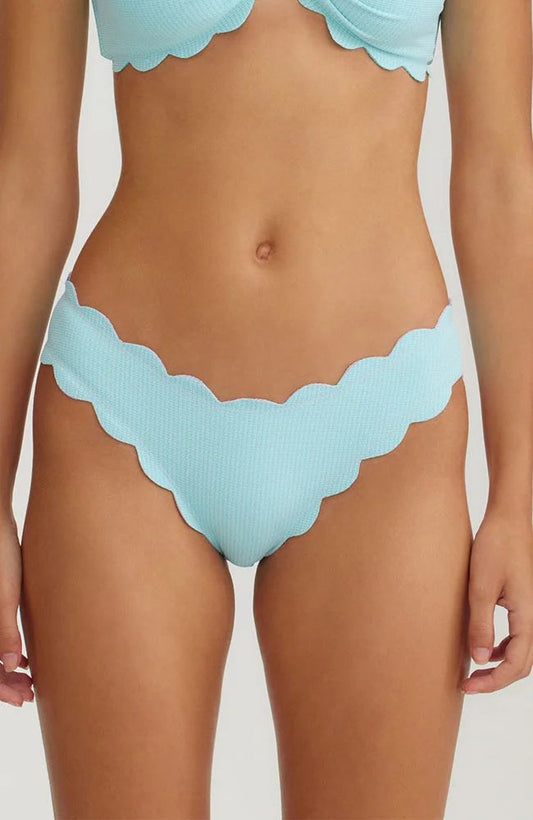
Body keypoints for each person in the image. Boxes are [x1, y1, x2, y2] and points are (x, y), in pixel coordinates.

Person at [1, 0, 532, 817]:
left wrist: (518, 495)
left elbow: (500, 176)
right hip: (120, 414)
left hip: (384, 431)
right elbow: (25, 176)